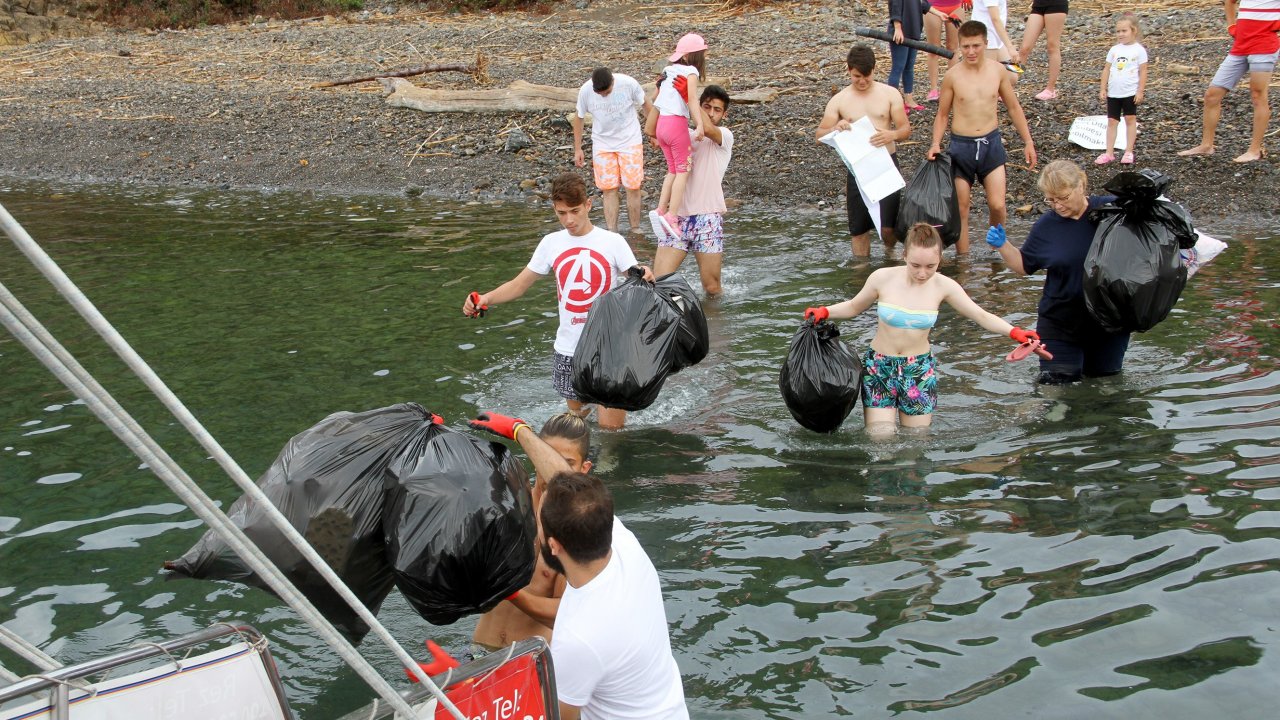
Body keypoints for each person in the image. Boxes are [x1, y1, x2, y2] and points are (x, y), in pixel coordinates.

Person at [468, 411, 689, 720]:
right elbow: (564, 479)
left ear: (554, 546)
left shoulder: (579, 637)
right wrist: (519, 431)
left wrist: (469, 698)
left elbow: (556, 716)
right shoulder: (625, 548)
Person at [801, 223, 1040, 436]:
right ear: (904, 255)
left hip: (918, 370)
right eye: (915, 265)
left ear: (940, 259)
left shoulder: (945, 286)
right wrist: (825, 311)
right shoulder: (881, 278)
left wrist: (1014, 332)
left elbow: (980, 315)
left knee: (915, 443)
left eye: (930, 266)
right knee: (880, 439)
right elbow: (854, 306)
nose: (922, 273)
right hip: (879, 367)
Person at [462, 173, 654, 430]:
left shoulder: (612, 242)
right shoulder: (550, 243)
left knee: (611, 432)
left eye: (575, 211)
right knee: (578, 426)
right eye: (562, 213)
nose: (569, 220)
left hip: (610, 348)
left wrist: (645, 271)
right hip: (569, 348)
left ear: (588, 205)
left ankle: (609, 467)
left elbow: (636, 275)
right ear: (555, 208)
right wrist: (486, 298)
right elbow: (519, 285)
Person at [984, 160, 1131, 384]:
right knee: (1056, 386)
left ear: (1081, 185)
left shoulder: (1112, 211)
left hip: (1109, 322)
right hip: (1060, 322)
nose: (1058, 206)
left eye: (1063, 198)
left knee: (1104, 385)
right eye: (1051, 200)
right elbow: (1024, 266)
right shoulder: (1047, 226)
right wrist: (1004, 246)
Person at [471, 413, 591, 652]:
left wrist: (512, 594)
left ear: (584, 468)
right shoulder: (509, 505)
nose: (551, 467)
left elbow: (567, 612)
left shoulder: (575, 530)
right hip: (478, 651)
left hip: (530, 661)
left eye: (567, 462)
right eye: (546, 455)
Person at [927, 20, 1037, 254]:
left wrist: (1028, 141)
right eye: (965, 46)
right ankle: (964, 262)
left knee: (997, 205)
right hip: (961, 147)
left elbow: (1014, 108)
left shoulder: (997, 70)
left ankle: (996, 252)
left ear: (986, 44)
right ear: (959, 46)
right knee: (962, 208)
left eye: (976, 46)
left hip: (991, 145)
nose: (971, 51)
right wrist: (935, 143)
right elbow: (942, 114)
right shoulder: (953, 76)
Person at [815, 44, 912, 258]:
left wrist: (892, 135)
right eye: (857, 76)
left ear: (874, 70)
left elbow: (905, 129)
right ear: (849, 70)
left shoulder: (889, 94)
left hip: (885, 164)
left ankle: (890, 251)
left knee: (888, 228)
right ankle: (860, 275)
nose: (862, 81)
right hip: (858, 168)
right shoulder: (840, 99)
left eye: (866, 76)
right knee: (858, 229)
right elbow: (819, 135)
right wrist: (835, 127)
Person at [653, 85, 733, 296]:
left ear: (724, 114)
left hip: (707, 219)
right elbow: (652, 130)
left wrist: (690, 98)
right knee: (658, 283)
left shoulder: (723, 137)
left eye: (717, 110)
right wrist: (660, 97)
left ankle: (713, 326)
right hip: (676, 218)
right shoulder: (682, 135)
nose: (711, 113)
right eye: (707, 107)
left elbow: (707, 129)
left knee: (712, 288)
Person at [1177, 0, 1279, 163]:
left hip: (1264, 45)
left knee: (1258, 95)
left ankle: (1254, 150)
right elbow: (1229, 2)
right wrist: (1231, 26)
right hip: (1241, 45)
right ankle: (1206, 145)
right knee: (1212, 95)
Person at [572, 67, 653, 235]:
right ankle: (612, 231)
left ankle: (635, 229)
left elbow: (646, 104)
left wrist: (654, 132)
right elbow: (578, 118)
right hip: (602, 144)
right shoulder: (586, 90)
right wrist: (578, 148)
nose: (603, 96)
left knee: (633, 186)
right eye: (600, 93)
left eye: (607, 92)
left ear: (613, 82)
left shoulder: (628, 83)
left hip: (630, 141)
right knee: (608, 189)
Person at [652, 32, 708, 239]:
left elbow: (657, 97)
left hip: (661, 125)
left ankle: (660, 209)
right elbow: (692, 100)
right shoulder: (691, 72)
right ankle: (672, 215)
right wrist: (700, 125)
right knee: (683, 171)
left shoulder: (667, 70)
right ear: (691, 57)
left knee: (672, 170)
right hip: (676, 125)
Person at [889, 0, 962, 112]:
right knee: (898, 67)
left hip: (913, 31)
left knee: (909, 67)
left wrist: (939, 13)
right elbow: (895, 6)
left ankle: (909, 99)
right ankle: (891, 103)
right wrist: (897, 27)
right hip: (901, 32)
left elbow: (922, 4)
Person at [1096, 13, 1147, 165]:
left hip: (1130, 92)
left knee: (1130, 119)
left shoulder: (1139, 50)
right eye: (1118, 31)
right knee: (1112, 121)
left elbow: (1143, 71)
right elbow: (1106, 69)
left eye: (1124, 31)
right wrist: (1102, 88)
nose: (1120, 34)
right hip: (1114, 92)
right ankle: (1109, 152)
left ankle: (1129, 151)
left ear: (1134, 31)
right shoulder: (1114, 50)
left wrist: (1140, 90)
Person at [1018, 0, 1069, 100]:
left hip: (1056, 5)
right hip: (1038, 5)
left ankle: (1050, 89)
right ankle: (1009, 85)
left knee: (1052, 46)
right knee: (1024, 49)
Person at [924, 0, 966, 102]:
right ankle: (933, 88)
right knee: (933, 48)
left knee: (953, 47)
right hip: (933, 7)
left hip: (955, 6)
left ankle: (952, 86)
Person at [970, 0, 1020, 73]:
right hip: (987, 35)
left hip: (996, 36)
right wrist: (1010, 47)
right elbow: (995, 19)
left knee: (1012, 75)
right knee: (988, 75)